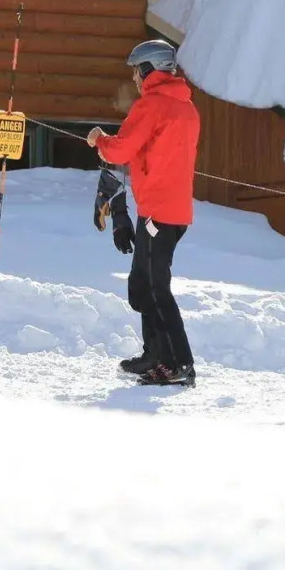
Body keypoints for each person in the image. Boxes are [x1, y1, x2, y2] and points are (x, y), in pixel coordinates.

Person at [88, 39, 201, 386]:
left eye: (137, 71)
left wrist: (99, 140)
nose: (135, 79)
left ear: (150, 68)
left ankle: (179, 363)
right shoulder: (186, 108)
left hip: (158, 213)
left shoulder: (152, 105)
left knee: (154, 289)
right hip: (171, 211)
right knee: (142, 284)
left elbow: (121, 150)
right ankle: (156, 357)